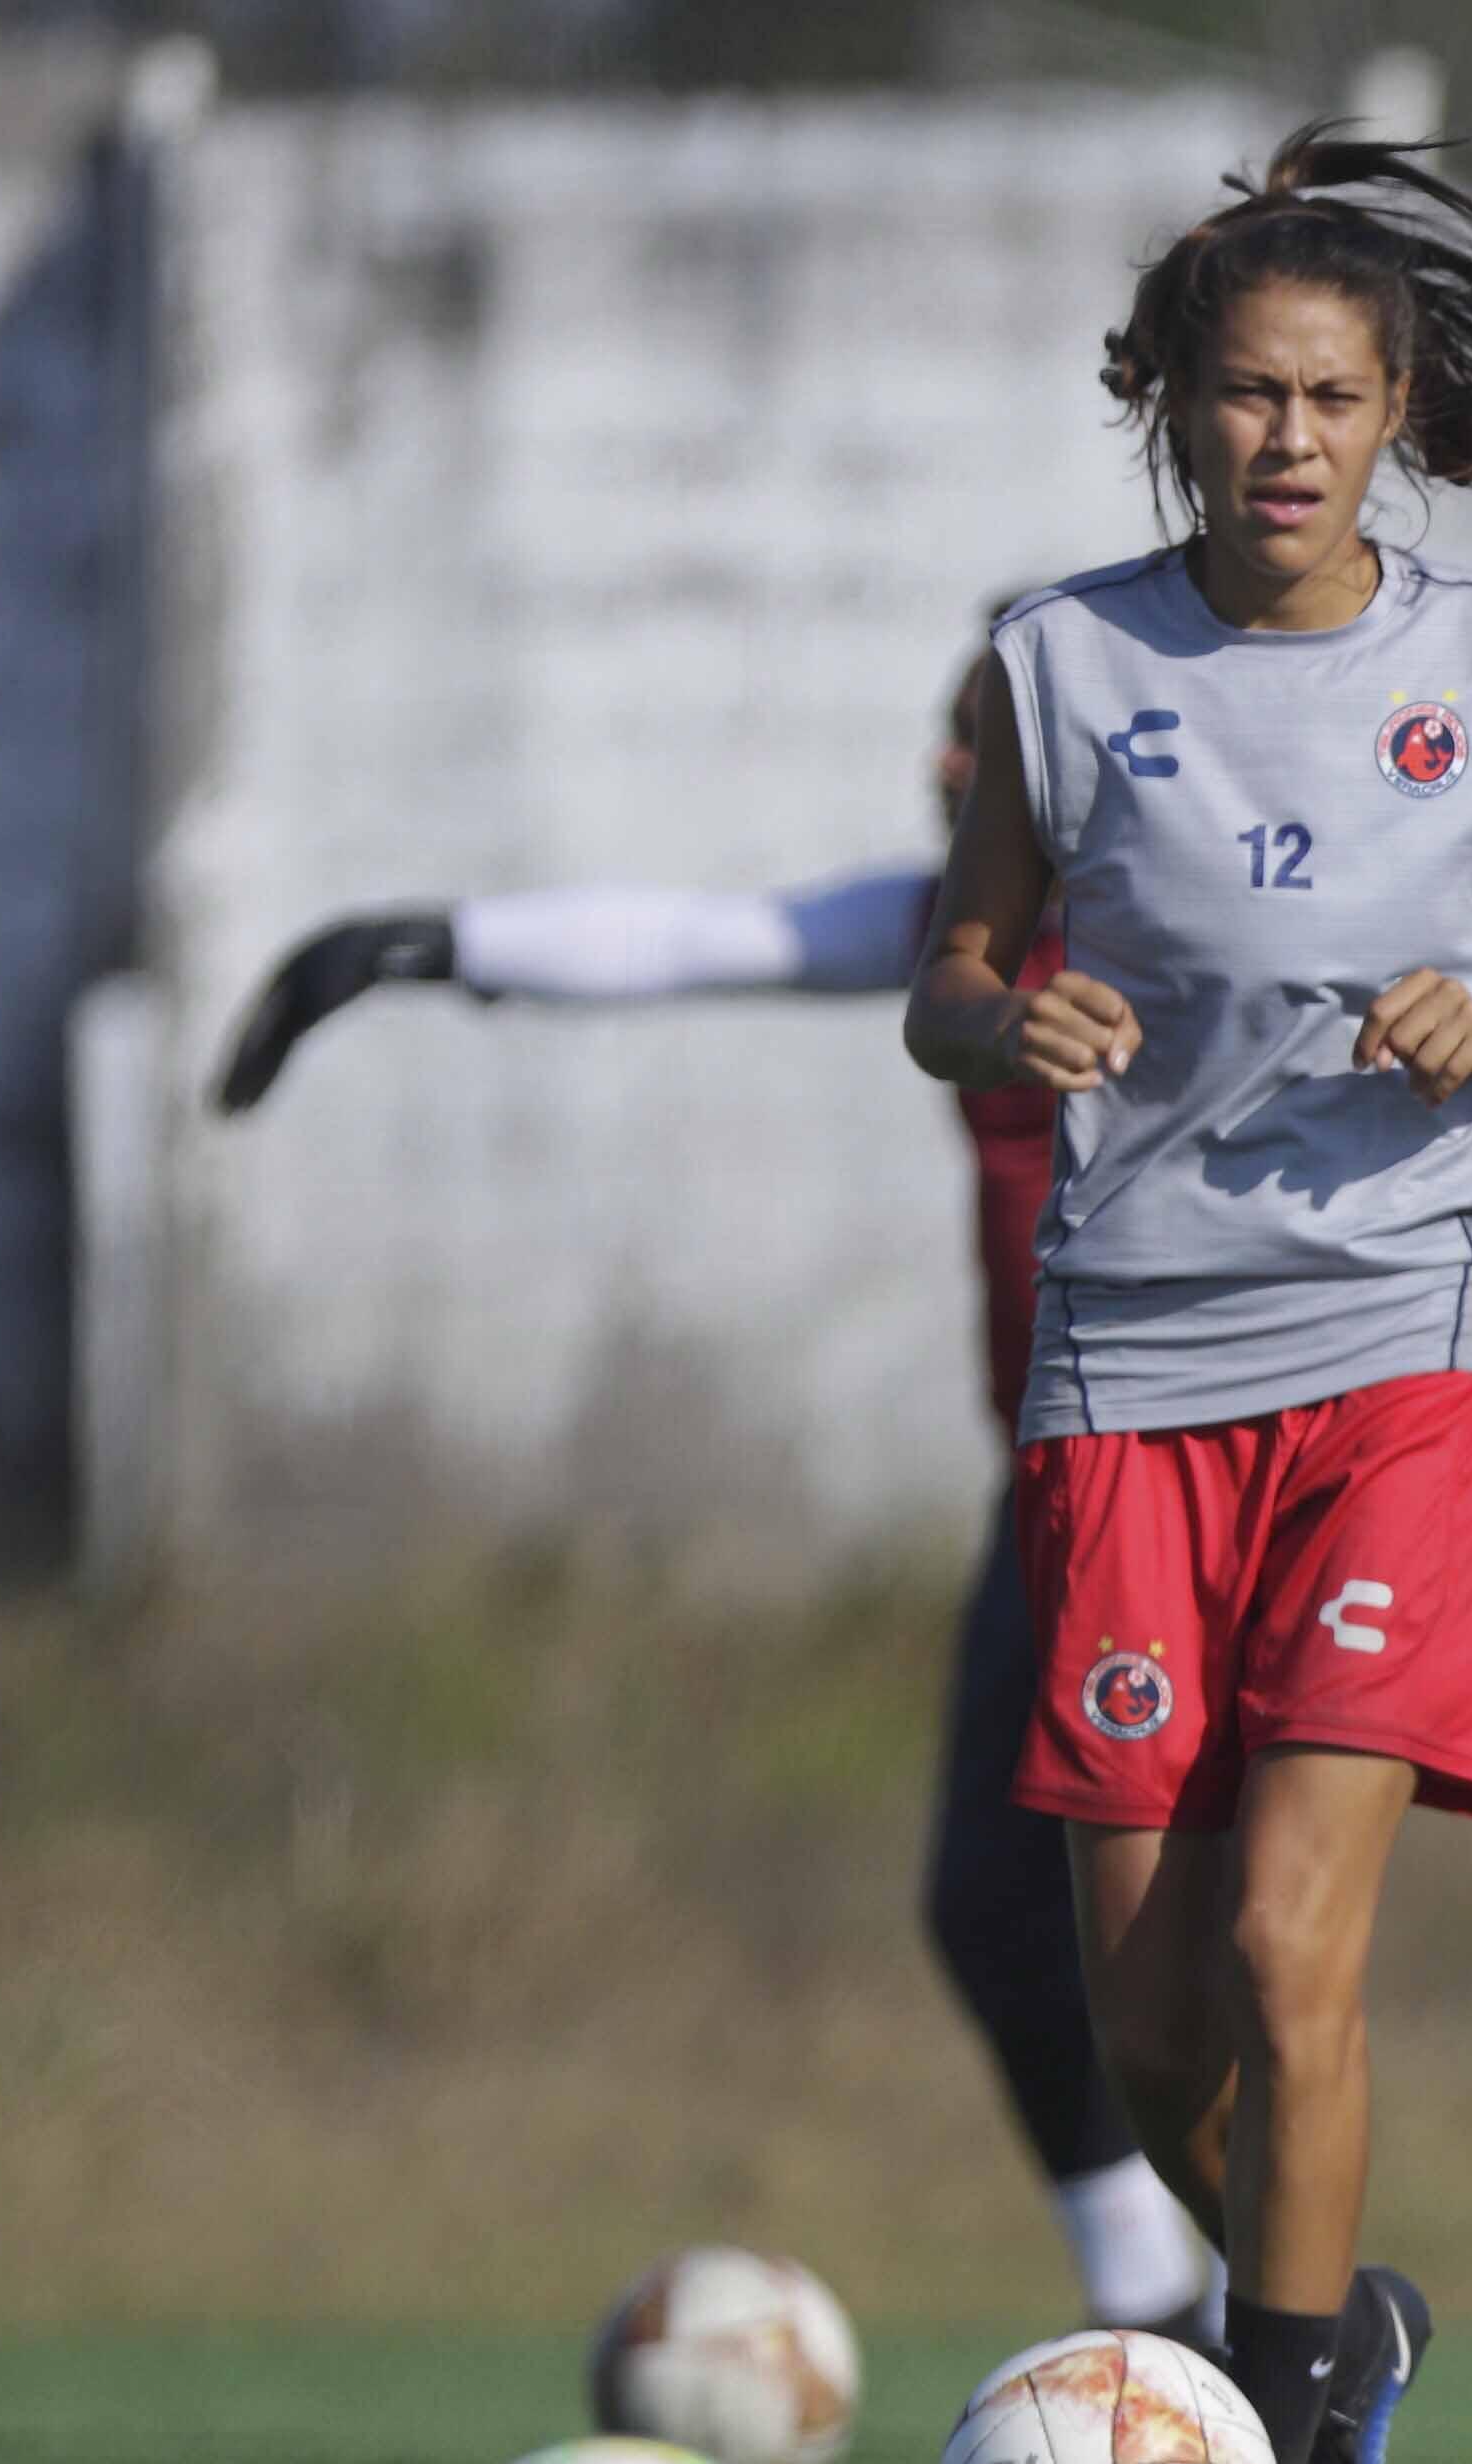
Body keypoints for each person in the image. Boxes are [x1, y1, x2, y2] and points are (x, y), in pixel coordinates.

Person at [906, 125, 1472, 2464]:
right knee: (1153, 2026)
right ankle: (1349, 2317)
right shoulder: (1056, 670)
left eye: (1331, 399)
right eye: (1242, 396)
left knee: (1292, 1953)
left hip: (1408, 1349)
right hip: (1127, 1373)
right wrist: (998, 1006)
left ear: (1398, 418)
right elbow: (948, 977)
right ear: (1172, 408)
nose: (1285, 440)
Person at [210, 640, 1231, 2363]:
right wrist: (408, 949)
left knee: (1199, 1931)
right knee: (994, 1908)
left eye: (978, 736)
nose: (939, 765)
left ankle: (1285, 2328)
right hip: (1054, 1493)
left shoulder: (1201, 930)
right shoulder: (960, 940)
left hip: (1212, 1486)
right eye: (947, 731)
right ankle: (1158, 2298)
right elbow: (704, 937)